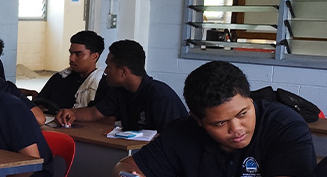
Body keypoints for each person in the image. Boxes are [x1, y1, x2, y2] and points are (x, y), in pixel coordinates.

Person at [114, 61, 316, 177]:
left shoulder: (284, 126)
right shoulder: (182, 132)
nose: (237, 128)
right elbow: (124, 167)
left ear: (250, 99)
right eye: (220, 123)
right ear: (198, 120)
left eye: (243, 113)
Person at [56, 39, 186, 131]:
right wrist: (72, 113)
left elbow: (173, 139)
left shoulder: (161, 97)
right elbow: (94, 113)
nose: (105, 71)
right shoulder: (119, 90)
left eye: (109, 67)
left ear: (123, 71)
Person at [25, 30, 108, 113]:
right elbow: (40, 103)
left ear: (94, 56)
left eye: (78, 54)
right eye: (71, 53)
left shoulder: (101, 84)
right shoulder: (60, 78)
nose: (72, 58)